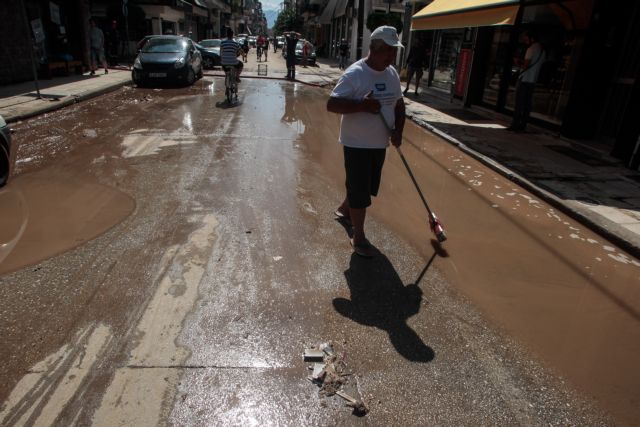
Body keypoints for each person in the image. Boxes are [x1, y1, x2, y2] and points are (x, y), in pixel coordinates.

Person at [327, 26, 406, 258]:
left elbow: (399, 105)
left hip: (380, 143)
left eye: (394, 51)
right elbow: (332, 104)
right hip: (357, 143)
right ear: (374, 48)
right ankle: (358, 235)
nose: (392, 56)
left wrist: (399, 130)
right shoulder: (355, 74)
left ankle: (345, 208)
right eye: (388, 51)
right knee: (360, 189)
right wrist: (362, 105)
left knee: (367, 186)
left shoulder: (391, 74)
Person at [508, 30, 545, 132]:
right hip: (533, 80)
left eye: (526, 39)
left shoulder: (531, 49)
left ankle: (515, 125)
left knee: (519, 103)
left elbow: (525, 66)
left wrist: (517, 62)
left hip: (525, 79)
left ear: (532, 38)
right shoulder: (542, 51)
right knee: (527, 104)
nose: (525, 41)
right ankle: (523, 125)